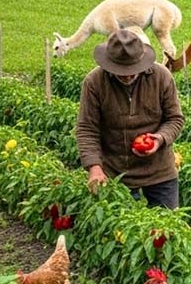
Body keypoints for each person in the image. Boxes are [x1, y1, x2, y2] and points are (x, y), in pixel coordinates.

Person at [76, 28, 184, 208]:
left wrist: (159, 139)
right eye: (120, 70)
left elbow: (175, 119)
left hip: (159, 170)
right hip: (115, 171)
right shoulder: (94, 82)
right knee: (120, 231)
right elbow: (87, 128)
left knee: (167, 229)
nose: (127, 75)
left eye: (132, 69)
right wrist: (94, 167)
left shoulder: (161, 77)